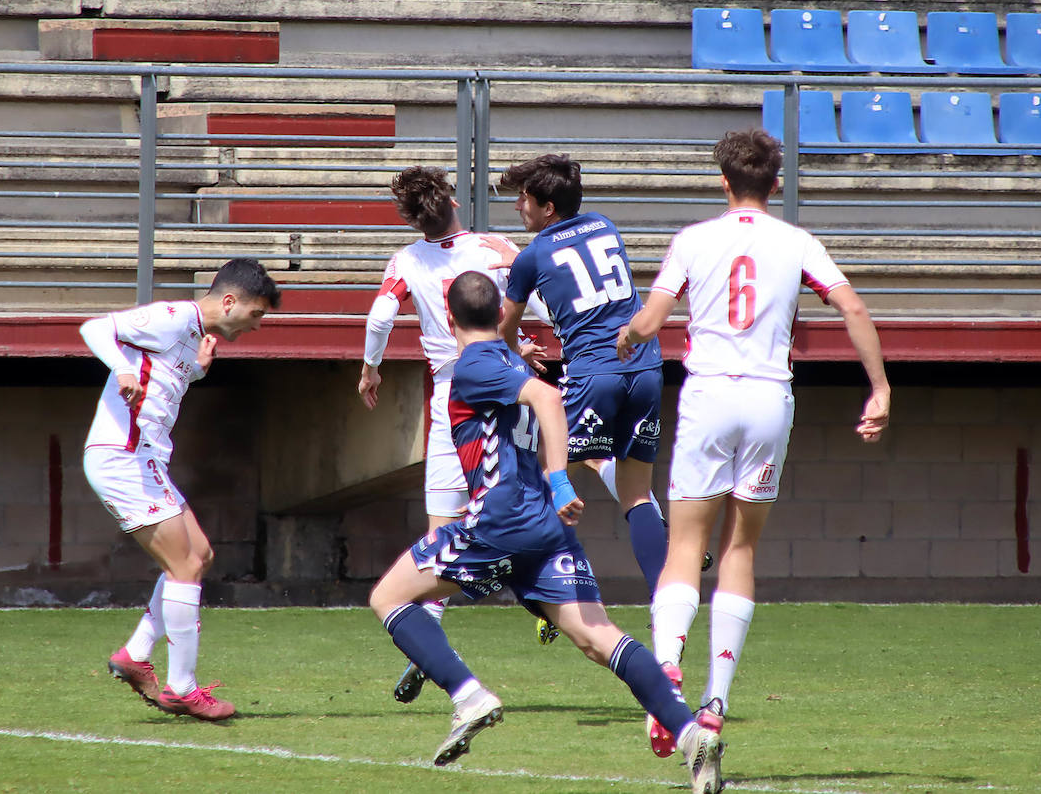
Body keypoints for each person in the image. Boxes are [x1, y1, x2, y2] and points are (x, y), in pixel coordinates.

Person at [368, 271, 723, 793]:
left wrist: (559, 481)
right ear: (499, 314)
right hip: (542, 528)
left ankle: (468, 697)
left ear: (448, 318)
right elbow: (538, 396)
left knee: (388, 596)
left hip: (501, 518)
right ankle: (691, 734)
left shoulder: (475, 364)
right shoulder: (511, 358)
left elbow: (550, 402)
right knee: (598, 637)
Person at [616, 129, 890, 753]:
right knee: (740, 547)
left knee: (685, 543)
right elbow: (852, 309)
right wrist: (879, 388)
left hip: (709, 394)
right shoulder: (796, 242)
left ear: (723, 182)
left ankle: (665, 674)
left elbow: (652, 319)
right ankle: (716, 701)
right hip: (769, 399)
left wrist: (628, 337)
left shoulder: (693, 240)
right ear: (776, 184)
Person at [358, 165, 548, 703]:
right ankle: (547, 602)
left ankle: (432, 644)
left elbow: (378, 318)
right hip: (506, 381)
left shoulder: (406, 260)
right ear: (455, 202)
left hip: (451, 394)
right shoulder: (492, 245)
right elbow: (536, 302)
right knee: (521, 502)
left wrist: (371, 368)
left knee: (444, 532)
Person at [81, 258, 281, 722]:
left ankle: (135, 654)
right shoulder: (173, 317)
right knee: (185, 566)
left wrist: (196, 371)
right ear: (229, 301)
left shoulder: (191, 336)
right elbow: (94, 329)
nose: (256, 326)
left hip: (145, 460)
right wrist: (121, 370)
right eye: (256, 315)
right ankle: (182, 688)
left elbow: (161, 377)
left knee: (201, 556)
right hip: (123, 457)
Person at [491, 154, 668, 604]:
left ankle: (553, 595)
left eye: (523, 199)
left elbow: (505, 327)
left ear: (547, 207)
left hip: (593, 373)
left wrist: (516, 354)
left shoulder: (530, 257)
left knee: (534, 473)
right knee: (637, 496)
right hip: (645, 367)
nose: (518, 207)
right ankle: (668, 608)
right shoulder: (605, 225)